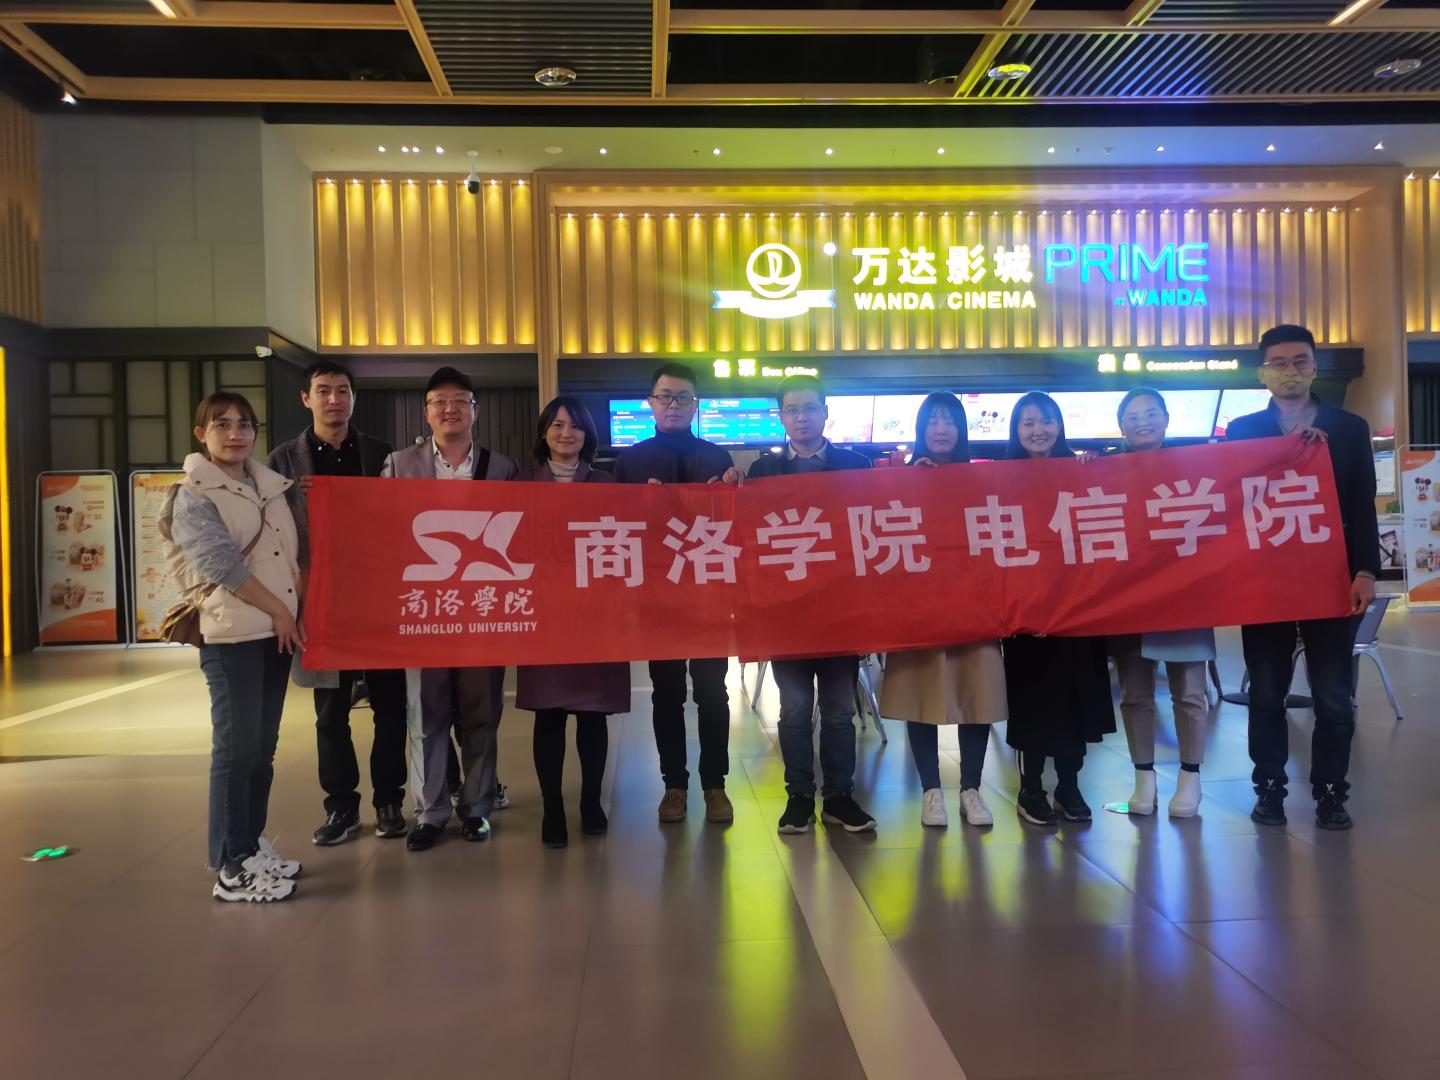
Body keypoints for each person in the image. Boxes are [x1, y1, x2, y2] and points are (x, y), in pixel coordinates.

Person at [1227, 324, 1379, 831]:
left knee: (1333, 694)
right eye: (1279, 363)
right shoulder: (1243, 431)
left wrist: (1365, 570)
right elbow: (1227, 500)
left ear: (1314, 367)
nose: (1289, 371)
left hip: (1330, 580)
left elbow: (1361, 504)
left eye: (1299, 361)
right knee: (1266, 691)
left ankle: (1331, 792)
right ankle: (1269, 788)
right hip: (1264, 583)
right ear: (1262, 373)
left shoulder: (1349, 428)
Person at [166, 392, 304, 902]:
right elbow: (222, 564)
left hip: (272, 633)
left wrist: (284, 615)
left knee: (261, 749)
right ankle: (231, 866)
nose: (235, 433)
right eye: (221, 424)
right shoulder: (194, 494)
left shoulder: (268, 486)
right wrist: (282, 610)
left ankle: (250, 845)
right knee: (235, 750)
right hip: (232, 636)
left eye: (245, 424)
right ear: (201, 434)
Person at [266, 360, 410, 846]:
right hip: (320, 602)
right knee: (330, 712)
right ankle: (341, 806)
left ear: (354, 398)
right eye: (324, 391)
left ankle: (389, 800)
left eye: (343, 390)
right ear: (306, 398)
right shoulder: (283, 461)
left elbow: (399, 516)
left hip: (377, 599)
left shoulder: (380, 453)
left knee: (390, 706)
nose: (334, 399)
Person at [382, 366, 519, 851]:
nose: (450, 409)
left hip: (482, 611)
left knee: (482, 714)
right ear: (426, 412)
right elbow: (379, 527)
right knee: (426, 714)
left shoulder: (501, 468)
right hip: (424, 611)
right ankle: (430, 812)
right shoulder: (398, 464)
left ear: (475, 411)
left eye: (460, 400)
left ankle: (477, 807)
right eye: (440, 401)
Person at [748, 373, 877, 835]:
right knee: (795, 710)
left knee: (840, 712)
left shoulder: (857, 466)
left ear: (825, 412)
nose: (801, 417)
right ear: (781, 417)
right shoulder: (762, 472)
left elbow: (872, 532)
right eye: (792, 410)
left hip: (842, 611)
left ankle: (839, 797)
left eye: (809, 408)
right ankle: (799, 796)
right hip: (787, 615)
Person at [613, 362, 740, 826]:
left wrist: (732, 493)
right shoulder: (629, 463)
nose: (673, 405)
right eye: (665, 397)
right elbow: (614, 530)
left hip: (708, 595)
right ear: (650, 403)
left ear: (695, 405)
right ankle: (674, 784)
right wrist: (638, 504)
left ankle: (715, 784)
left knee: (712, 693)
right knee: (666, 694)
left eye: (683, 397)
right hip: (658, 599)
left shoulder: (717, 457)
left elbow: (736, 527)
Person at [879, 393, 1007, 828]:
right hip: (921, 611)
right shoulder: (900, 479)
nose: (941, 429)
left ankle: (971, 789)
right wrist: (913, 483)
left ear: (961, 429)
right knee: (923, 696)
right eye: (932, 421)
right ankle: (931, 791)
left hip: (975, 609)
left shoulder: (982, 480)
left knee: (978, 694)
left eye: (949, 421)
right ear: (920, 429)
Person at [515, 397, 629, 848]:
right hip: (543, 614)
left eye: (576, 426)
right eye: (558, 425)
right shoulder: (521, 484)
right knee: (548, 715)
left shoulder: (608, 483)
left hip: (595, 616)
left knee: (592, 714)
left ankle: (590, 801)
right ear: (544, 431)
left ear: (588, 435)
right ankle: (552, 808)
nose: (567, 433)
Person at [1001, 391, 1117, 826]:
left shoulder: (1081, 470)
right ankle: (1030, 787)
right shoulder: (999, 479)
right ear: (1016, 430)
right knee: (1031, 702)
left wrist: (1094, 470)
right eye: (1028, 422)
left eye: (1046, 421)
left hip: (1077, 612)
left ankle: (1069, 785)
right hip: (1026, 617)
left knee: (1074, 699)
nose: (1038, 430)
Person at [1106, 388, 1214, 818]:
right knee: (1135, 693)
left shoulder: (1194, 464)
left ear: (1167, 419)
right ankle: (1143, 778)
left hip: (1183, 595)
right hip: (1128, 599)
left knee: (1190, 691)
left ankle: (1191, 778)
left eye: (1151, 413)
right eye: (1132, 416)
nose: (1142, 422)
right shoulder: (1106, 471)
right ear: (1121, 426)